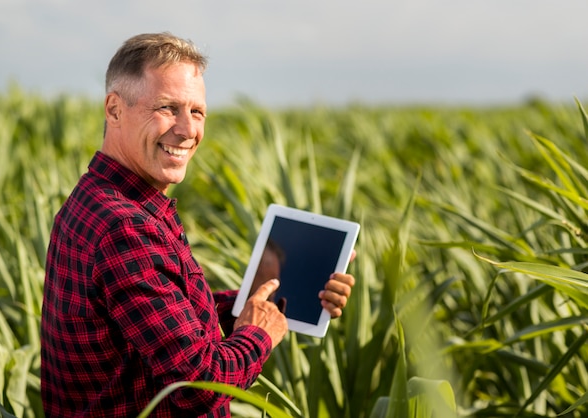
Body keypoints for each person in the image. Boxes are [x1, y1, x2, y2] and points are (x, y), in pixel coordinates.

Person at [40, 32, 356, 418]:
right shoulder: (126, 228)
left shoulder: (97, 199)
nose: (188, 130)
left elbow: (159, 327)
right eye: (167, 108)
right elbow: (200, 386)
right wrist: (258, 333)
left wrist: (261, 301)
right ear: (114, 110)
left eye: (197, 112)